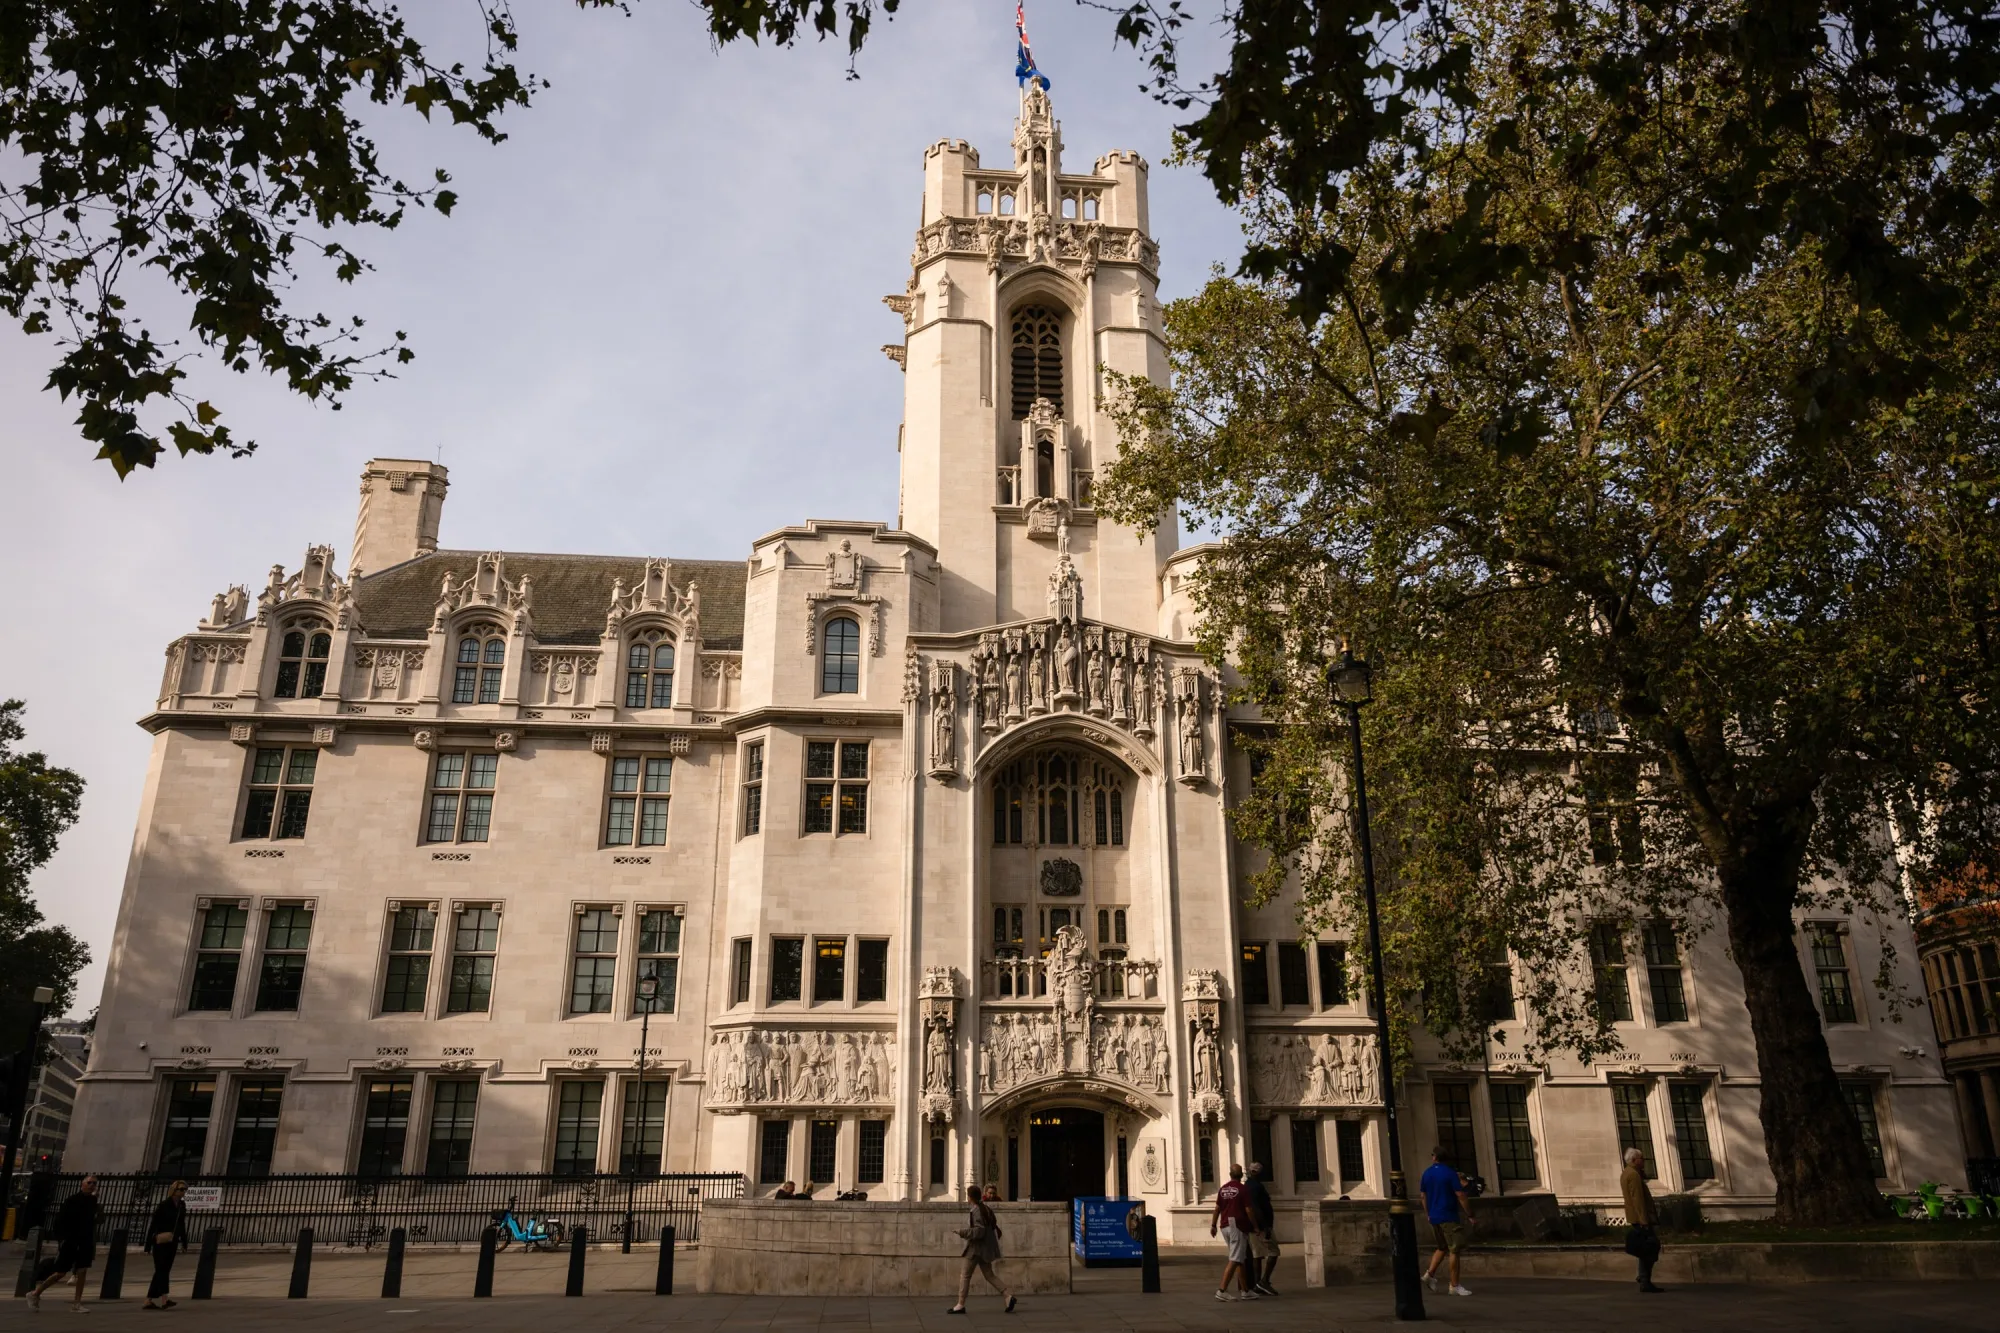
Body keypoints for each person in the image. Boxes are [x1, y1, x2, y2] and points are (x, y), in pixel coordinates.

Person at [27, 1174, 101, 1312]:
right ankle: (35, 1293)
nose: (92, 1185)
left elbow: (95, 1220)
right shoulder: (72, 1200)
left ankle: (77, 1303)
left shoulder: (92, 1201)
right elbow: (60, 1222)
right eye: (89, 1183)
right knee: (60, 1273)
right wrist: (63, 1239)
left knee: (82, 1271)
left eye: (94, 1184)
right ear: (82, 1184)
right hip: (71, 1241)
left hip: (85, 1241)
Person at [948, 1184, 1015, 1314]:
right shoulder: (985, 1208)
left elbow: (979, 1231)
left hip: (975, 1249)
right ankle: (1007, 1295)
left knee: (965, 1275)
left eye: (968, 1196)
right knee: (989, 1275)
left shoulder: (977, 1211)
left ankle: (960, 1304)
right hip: (984, 1248)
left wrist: (962, 1232)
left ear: (970, 1197)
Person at [1419, 1147, 1473, 1297]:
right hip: (1448, 1215)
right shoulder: (1450, 1173)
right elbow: (1460, 1195)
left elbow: (1423, 1196)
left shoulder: (1427, 1173)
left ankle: (1429, 1275)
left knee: (1442, 1246)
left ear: (1435, 1157)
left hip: (1434, 1216)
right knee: (1454, 1249)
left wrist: (1428, 1214)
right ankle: (1454, 1285)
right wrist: (1470, 1214)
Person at [1208, 1163, 1259, 1301]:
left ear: (1230, 1174)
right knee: (1235, 1258)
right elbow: (1249, 1210)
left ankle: (1245, 1290)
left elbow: (1217, 1208)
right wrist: (1255, 1226)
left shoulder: (1223, 1189)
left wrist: (1213, 1225)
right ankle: (1222, 1290)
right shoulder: (1243, 1189)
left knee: (1239, 1258)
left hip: (1225, 1226)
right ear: (1241, 1175)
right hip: (1237, 1226)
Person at [1622, 1147, 1665, 1293]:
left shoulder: (1627, 1173)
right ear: (1634, 1160)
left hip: (1636, 1217)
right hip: (1641, 1219)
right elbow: (1638, 1199)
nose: (1643, 1161)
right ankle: (1645, 1279)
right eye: (1641, 1158)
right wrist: (1644, 1220)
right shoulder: (1633, 1175)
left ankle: (1643, 1277)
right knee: (1650, 1247)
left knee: (1645, 1248)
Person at [144, 1178, 190, 1310]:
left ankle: (148, 1300)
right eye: (181, 1189)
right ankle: (164, 1299)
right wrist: (147, 1245)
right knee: (162, 1270)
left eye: (185, 1190)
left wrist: (184, 1242)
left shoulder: (181, 1205)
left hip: (173, 1241)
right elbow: (153, 1224)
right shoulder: (164, 1204)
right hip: (160, 1241)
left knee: (162, 1270)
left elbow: (181, 1225)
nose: (183, 1192)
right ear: (173, 1190)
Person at [1244, 1161, 1281, 1296]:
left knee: (1257, 1255)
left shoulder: (1249, 1185)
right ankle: (1263, 1281)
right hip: (1260, 1226)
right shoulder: (1255, 1187)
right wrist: (1264, 1226)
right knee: (1274, 1251)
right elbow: (1255, 1208)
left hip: (1255, 1226)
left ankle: (1257, 1283)